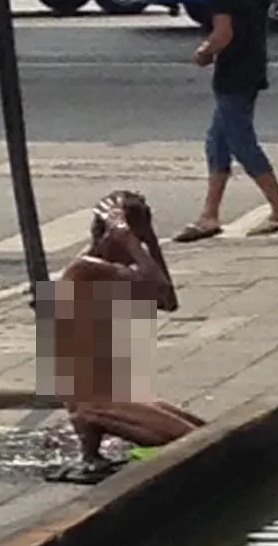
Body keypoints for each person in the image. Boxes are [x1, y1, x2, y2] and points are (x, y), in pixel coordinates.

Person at [41, 191, 206, 469]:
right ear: (111, 236)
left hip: (116, 390)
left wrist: (151, 240)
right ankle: (90, 422)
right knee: (193, 442)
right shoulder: (85, 269)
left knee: (207, 432)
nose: (136, 251)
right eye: (133, 241)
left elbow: (168, 301)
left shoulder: (108, 267)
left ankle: (93, 433)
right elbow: (159, 286)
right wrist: (129, 239)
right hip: (94, 399)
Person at [173, 0, 278, 243]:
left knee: (241, 142)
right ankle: (209, 214)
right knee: (218, 142)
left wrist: (204, 52)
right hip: (253, 65)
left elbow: (223, 34)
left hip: (233, 72)